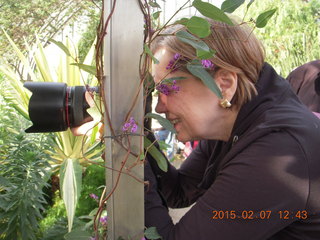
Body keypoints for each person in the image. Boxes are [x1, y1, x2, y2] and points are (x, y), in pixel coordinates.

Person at [144, 18, 320, 240]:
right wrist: (138, 134)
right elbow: (179, 192)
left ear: (223, 85)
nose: (159, 106)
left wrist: (128, 156)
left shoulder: (278, 151)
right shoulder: (232, 124)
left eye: (168, 89)